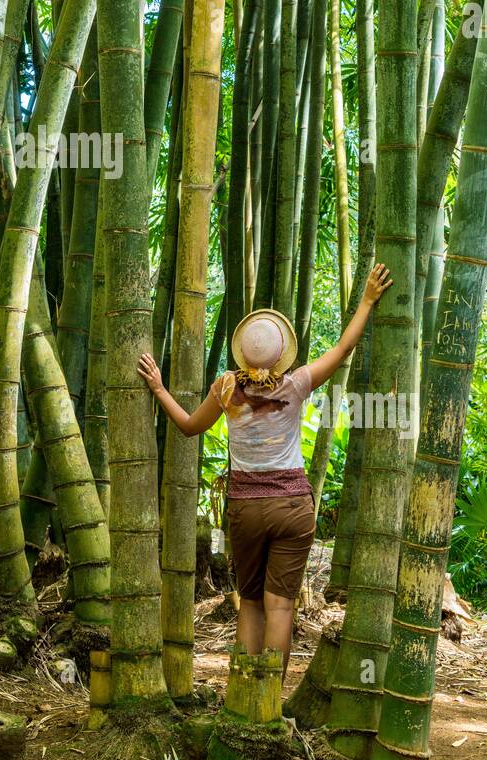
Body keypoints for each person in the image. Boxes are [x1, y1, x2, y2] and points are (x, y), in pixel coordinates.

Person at [137, 263, 393, 681]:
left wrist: (160, 389)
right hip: (293, 508)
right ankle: (268, 698)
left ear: (243, 352)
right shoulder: (296, 384)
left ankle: (242, 697)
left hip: (246, 510)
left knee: (251, 602)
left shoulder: (225, 388)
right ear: (282, 353)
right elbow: (343, 349)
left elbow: (187, 427)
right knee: (280, 606)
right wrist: (365, 299)